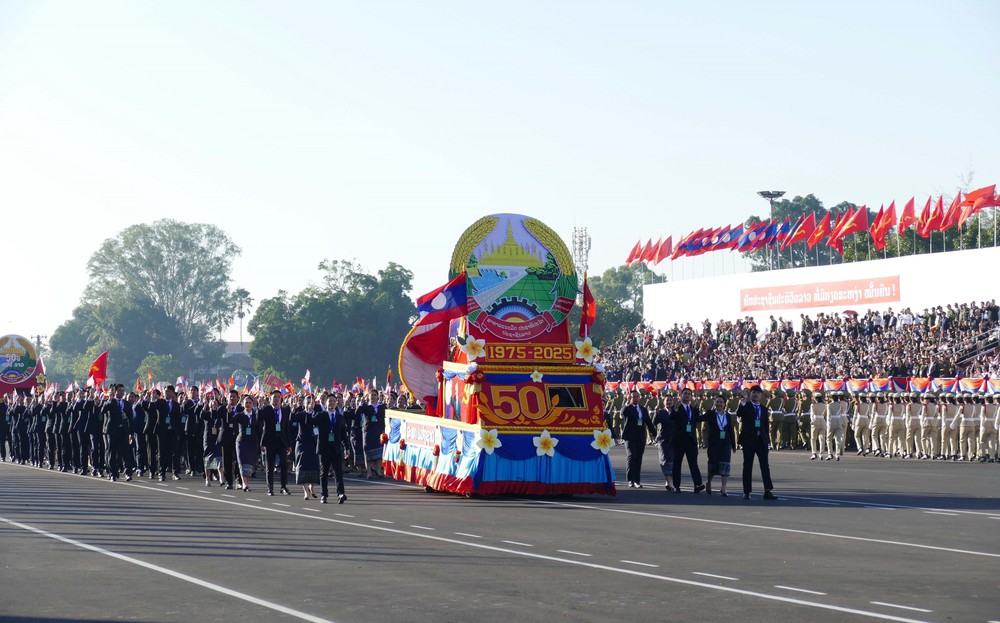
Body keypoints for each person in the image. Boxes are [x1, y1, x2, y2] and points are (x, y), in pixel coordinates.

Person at [736, 385, 777, 501]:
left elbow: (765, 426)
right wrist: (743, 401)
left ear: (761, 395)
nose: (756, 394)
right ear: (750, 394)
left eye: (758, 393)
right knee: (747, 466)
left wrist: (768, 441)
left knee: (765, 466)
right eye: (754, 392)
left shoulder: (763, 409)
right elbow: (739, 413)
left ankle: (768, 490)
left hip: (761, 440)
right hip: (749, 440)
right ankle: (746, 491)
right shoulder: (746, 406)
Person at [670, 387, 705, 493]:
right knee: (677, 463)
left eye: (689, 394)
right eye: (685, 393)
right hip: (679, 440)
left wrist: (697, 410)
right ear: (681, 396)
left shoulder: (692, 409)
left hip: (691, 440)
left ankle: (698, 484)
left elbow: (697, 420)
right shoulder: (677, 407)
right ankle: (676, 485)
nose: (687, 395)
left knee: (693, 463)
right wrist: (675, 409)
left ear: (691, 397)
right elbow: (672, 417)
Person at [258, 390, 291, 496]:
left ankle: (283, 486)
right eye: (274, 397)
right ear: (270, 399)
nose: (276, 399)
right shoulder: (266, 409)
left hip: (282, 441)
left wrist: (289, 444)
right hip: (270, 441)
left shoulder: (285, 411)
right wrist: (260, 406)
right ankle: (270, 488)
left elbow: (287, 428)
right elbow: (259, 419)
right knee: (270, 466)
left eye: (278, 397)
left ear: (281, 399)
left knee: (284, 465)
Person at [315, 395, 347, 504]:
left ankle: (341, 493)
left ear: (336, 402)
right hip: (324, 448)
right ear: (326, 402)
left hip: (336, 448)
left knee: (338, 472)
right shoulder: (321, 415)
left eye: (334, 401)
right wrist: (310, 409)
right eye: (330, 401)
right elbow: (311, 421)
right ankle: (324, 495)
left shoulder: (340, 417)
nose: (332, 403)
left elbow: (343, 433)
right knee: (324, 473)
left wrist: (347, 447)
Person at [620, 389, 655, 488]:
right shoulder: (628, 408)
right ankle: (630, 479)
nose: (635, 398)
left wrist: (655, 435)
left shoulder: (643, 409)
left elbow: (649, 423)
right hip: (630, 437)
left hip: (640, 437)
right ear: (630, 398)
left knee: (638, 458)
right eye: (633, 397)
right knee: (631, 456)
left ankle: (636, 480)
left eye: (637, 396)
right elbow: (622, 412)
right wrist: (627, 402)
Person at [704, 395, 736, 496]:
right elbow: (699, 419)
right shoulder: (710, 413)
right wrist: (696, 409)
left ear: (725, 404)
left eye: (721, 402)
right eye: (717, 402)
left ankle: (723, 488)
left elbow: (730, 430)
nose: (719, 404)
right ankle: (709, 482)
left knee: (725, 464)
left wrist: (733, 444)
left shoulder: (728, 415)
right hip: (714, 443)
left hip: (725, 443)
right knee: (712, 464)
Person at [292, 395, 320, 499]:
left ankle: (312, 487)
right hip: (302, 444)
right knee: (302, 466)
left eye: (311, 402)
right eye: (307, 402)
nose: (310, 404)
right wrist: (293, 409)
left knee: (314, 466)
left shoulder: (317, 415)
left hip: (313, 444)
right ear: (304, 404)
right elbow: (292, 419)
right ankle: (305, 491)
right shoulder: (300, 414)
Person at [232, 395, 258, 491]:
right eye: (246, 403)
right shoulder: (240, 415)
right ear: (243, 404)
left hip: (252, 442)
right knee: (242, 462)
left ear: (253, 404)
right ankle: (244, 483)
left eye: (250, 403)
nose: (248, 404)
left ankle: (246, 482)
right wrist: (229, 411)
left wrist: (261, 443)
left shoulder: (256, 415)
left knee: (250, 463)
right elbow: (230, 420)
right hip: (241, 442)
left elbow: (259, 429)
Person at [201, 390, 225, 486]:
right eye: (212, 402)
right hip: (208, 438)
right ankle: (208, 478)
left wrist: (222, 402)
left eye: (215, 402)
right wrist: (205, 404)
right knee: (208, 458)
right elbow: (201, 415)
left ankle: (221, 476)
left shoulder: (220, 413)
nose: (214, 404)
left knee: (219, 457)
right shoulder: (207, 413)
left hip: (217, 438)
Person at [359, 390, 386, 480]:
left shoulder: (381, 407)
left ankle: (379, 471)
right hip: (368, 432)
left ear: (377, 397)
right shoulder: (366, 407)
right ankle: (369, 472)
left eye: (375, 395)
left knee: (379, 451)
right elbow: (357, 412)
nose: (373, 397)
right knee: (368, 452)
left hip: (378, 431)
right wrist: (361, 404)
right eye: (371, 395)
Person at [651, 393, 675, 491]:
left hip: (674, 440)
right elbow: (654, 422)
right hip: (663, 440)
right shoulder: (661, 412)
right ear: (664, 402)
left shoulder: (676, 412)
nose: (669, 402)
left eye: (670, 400)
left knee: (672, 461)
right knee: (664, 461)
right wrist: (656, 413)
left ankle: (670, 481)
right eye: (667, 400)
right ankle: (668, 482)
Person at [826, 392, 847, 461]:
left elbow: (829, 415)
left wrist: (828, 422)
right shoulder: (840, 405)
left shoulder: (829, 405)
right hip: (839, 421)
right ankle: (837, 454)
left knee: (829, 439)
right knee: (838, 439)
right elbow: (842, 412)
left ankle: (830, 454)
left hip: (832, 422)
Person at [809, 392, 828, 460]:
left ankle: (814, 453)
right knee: (822, 438)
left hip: (815, 421)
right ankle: (821, 453)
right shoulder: (825, 405)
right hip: (822, 421)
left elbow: (812, 414)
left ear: (815, 398)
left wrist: (812, 421)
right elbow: (826, 414)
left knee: (813, 439)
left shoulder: (813, 405)